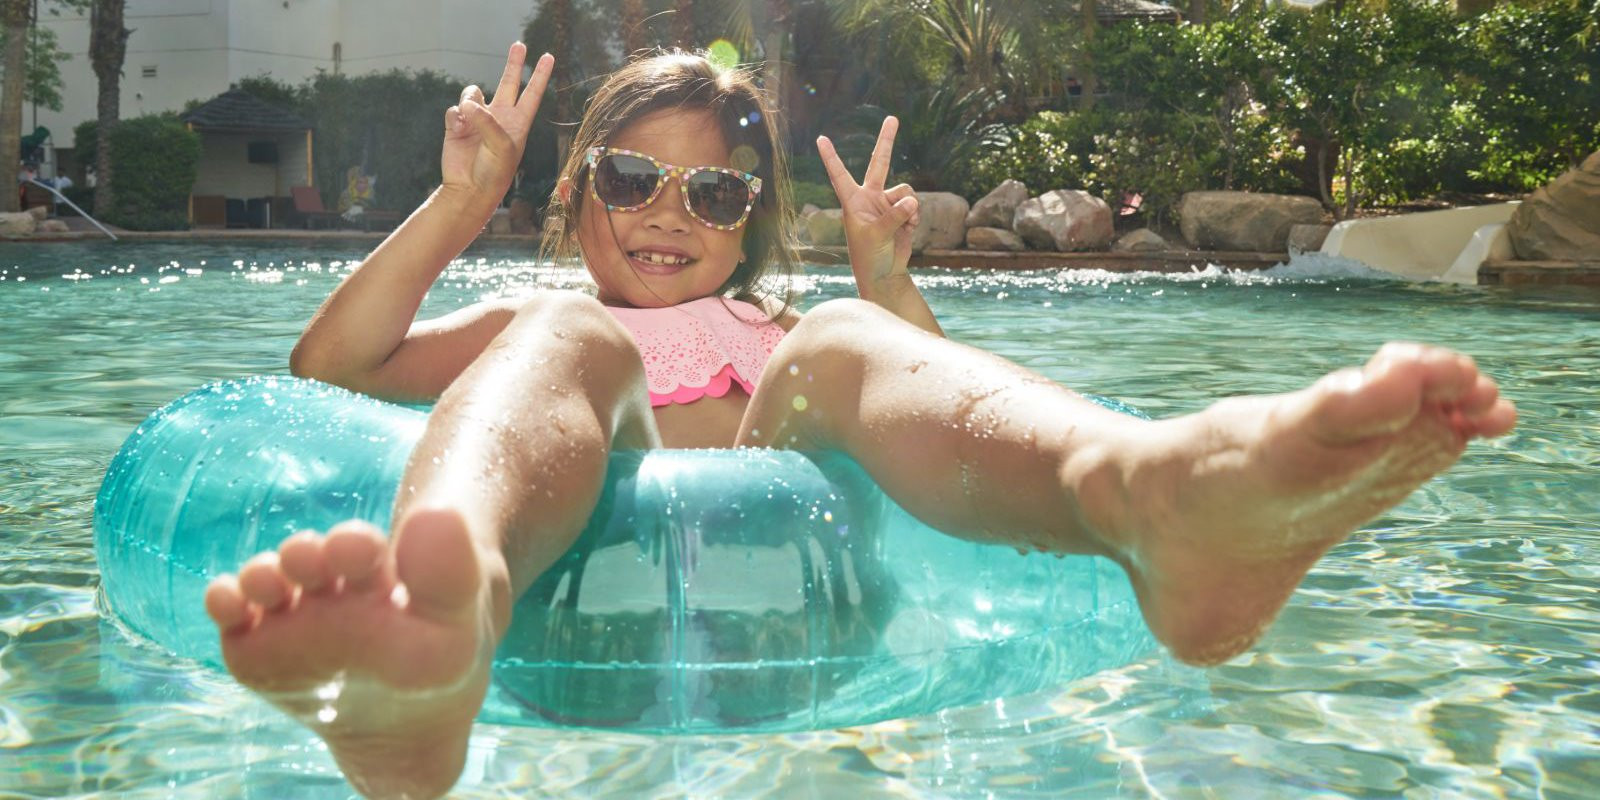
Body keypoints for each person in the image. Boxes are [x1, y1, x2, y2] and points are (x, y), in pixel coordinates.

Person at [201, 43, 1516, 800]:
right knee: (568, 334)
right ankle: (441, 627)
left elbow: (943, 441)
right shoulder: (534, 324)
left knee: (842, 342)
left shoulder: (781, 335)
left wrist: (887, 291)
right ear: (573, 196)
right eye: (633, 177)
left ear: (748, 226)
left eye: (715, 196)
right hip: (569, 602)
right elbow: (337, 363)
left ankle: (1148, 498)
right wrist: (457, 208)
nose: (672, 213)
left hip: (805, 599)